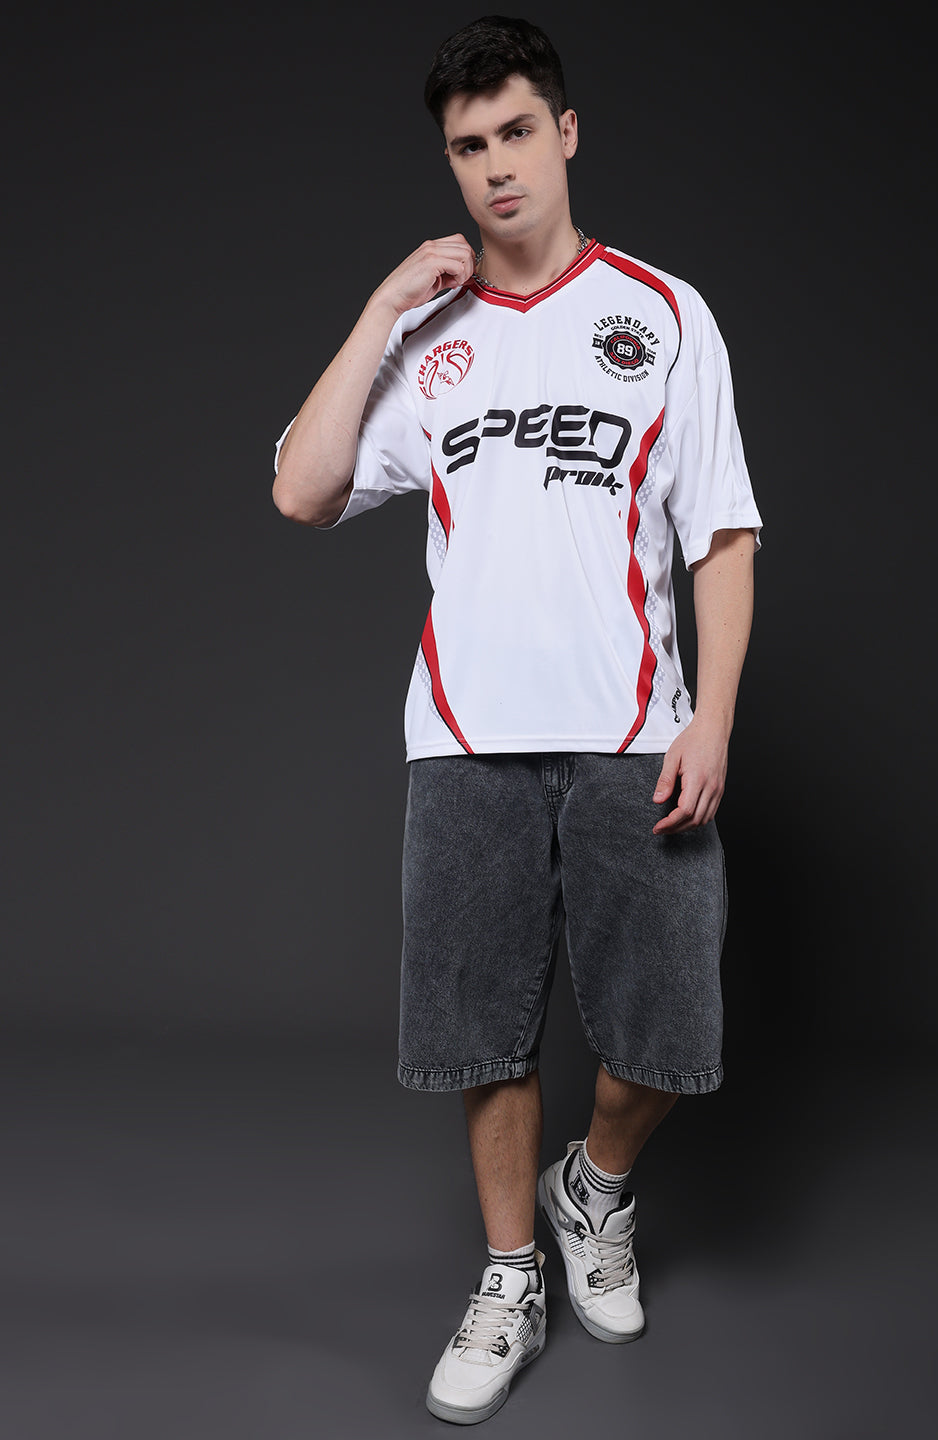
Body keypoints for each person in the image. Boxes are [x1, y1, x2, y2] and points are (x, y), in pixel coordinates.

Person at [272, 14, 762, 1426]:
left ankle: (593, 1187)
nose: (494, 166)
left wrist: (714, 718)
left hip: (633, 734)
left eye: (515, 132)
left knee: (670, 1033)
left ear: (566, 132)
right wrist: (379, 309)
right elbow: (301, 489)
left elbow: (723, 537)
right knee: (482, 1035)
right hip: (465, 739)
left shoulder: (664, 315)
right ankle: (509, 1277)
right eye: (466, 145)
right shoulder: (429, 340)